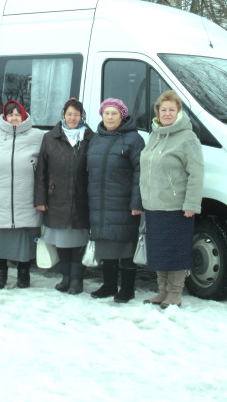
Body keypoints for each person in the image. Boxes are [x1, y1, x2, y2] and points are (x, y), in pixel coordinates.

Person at [139, 90, 203, 308]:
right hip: (154, 205)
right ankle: (162, 292)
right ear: (158, 111)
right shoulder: (155, 134)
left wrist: (191, 204)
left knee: (175, 252)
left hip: (176, 207)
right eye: (163, 109)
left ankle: (175, 293)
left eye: (171, 110)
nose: (167, 113)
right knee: (159, 252)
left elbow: (197, 172)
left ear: (179, 112)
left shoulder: (188, 138)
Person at [0, 100, 43, 290]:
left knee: (24, 241)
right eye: (10, 114)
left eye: (17, 114)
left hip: (26, 200)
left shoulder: (37, 136)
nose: (14, 118)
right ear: (4, 117)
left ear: (24, 115)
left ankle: (23, 274)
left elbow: (45, 170)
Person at [86, 98, 145, 303]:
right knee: (106, 244)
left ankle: (127, 289)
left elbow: (140, 172)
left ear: (123, 116)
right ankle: (109, 285)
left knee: (125, 246)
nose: (110, 117)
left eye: (114, 114)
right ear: (101, 115)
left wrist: (136, 202)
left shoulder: (134, 139)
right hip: (100, 200)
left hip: (123, 201)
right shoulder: (95, 138)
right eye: (106, 113)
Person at [34, 98, 94, 294]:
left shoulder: (90, 138)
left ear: (82, 116)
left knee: (78, 242)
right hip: (56, 198)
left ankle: (77, 280)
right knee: (61, 242)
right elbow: (41, 171)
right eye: (69, 114)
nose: (73, 118)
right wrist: (41, 200)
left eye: (77, 114)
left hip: (81, 199)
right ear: (63, 115)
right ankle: (66, 277)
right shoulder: (51, 138)